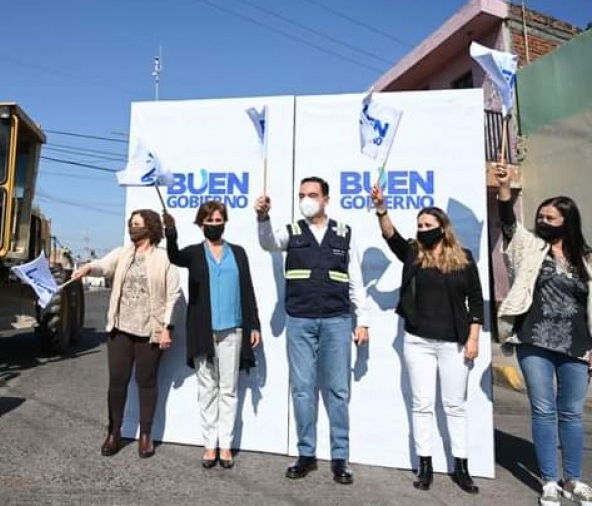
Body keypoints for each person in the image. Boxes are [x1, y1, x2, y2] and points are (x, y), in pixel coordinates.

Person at [255, 176, 369, 484]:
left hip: (337, 320)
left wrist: (364, 321)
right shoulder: (291, 232)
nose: (307, 199)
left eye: (313, 194)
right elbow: (267, 243)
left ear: (326, 200)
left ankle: (340, 458)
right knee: (303, 390)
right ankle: (306, 454)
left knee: (337, 391)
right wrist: (263, 217)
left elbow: (355, 277)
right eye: (302, 194)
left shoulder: (344, 232)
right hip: (300, 320)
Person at [370, 184, 482, 494]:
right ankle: (426, 466)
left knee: (454, 405)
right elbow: (391, 235)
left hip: (454, 342)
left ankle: (461, 467)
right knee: (421, 405)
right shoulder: (414, 254)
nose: (422, 230)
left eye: (428, 226)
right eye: (419, 226)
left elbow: (475, 299)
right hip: (418, 341)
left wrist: (473, 339)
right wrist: (381, 209)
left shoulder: (464, 258)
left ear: (443, 228)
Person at [496, 164, 592, 506]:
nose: (543, 222)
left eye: (550, 218)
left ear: (567, 221)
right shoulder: (530, 248)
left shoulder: (586, 259)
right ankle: (550, 481)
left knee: (571, 413)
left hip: (577, 346)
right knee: (543, 409)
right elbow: (508, 222)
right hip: (534, 341)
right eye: (540, 217)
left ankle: (574, 480)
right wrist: (504, 190)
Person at [72, 209, 183, 459]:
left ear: (151, 228)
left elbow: (174, 295)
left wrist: (167, 328)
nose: (133, 228)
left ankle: (145, 436)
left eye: (138, 225)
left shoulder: (163, 259)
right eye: (131, 224)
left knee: (147, 383)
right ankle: (114, 433)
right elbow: (103, 266)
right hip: (120, 329)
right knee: (117, 382)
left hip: (149, 331)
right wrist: (87, 268)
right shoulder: (123, 253)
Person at [163, 201, 262, 470]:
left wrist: (254, 325)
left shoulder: (238, 253)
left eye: (219, 221)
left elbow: (248, 290)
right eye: (210, 221)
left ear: (225, 223)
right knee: (207, 389)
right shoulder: (194, 254)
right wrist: (170, 232)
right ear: (201, 224)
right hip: (203, 332)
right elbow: (173, 257)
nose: (215, 225)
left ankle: (226, 445)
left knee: (228, 390)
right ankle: (210, 445)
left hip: (233, 331)